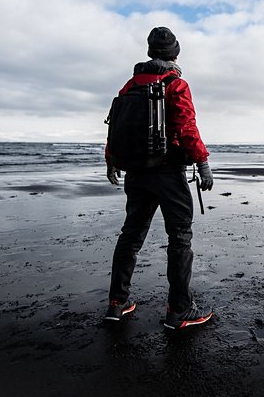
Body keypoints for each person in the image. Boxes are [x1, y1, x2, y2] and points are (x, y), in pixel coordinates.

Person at [104, 27, 214, 330]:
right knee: (179, 238)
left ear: (150, 52)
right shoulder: (175, 83)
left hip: (136, 172)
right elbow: (186, 126)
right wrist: (203, 163)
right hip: (167, 172)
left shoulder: (130, 86)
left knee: (131, 236)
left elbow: (115, 126)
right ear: (175, 53)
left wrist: (111, 159)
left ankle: (117, 303)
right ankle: (178, 311)